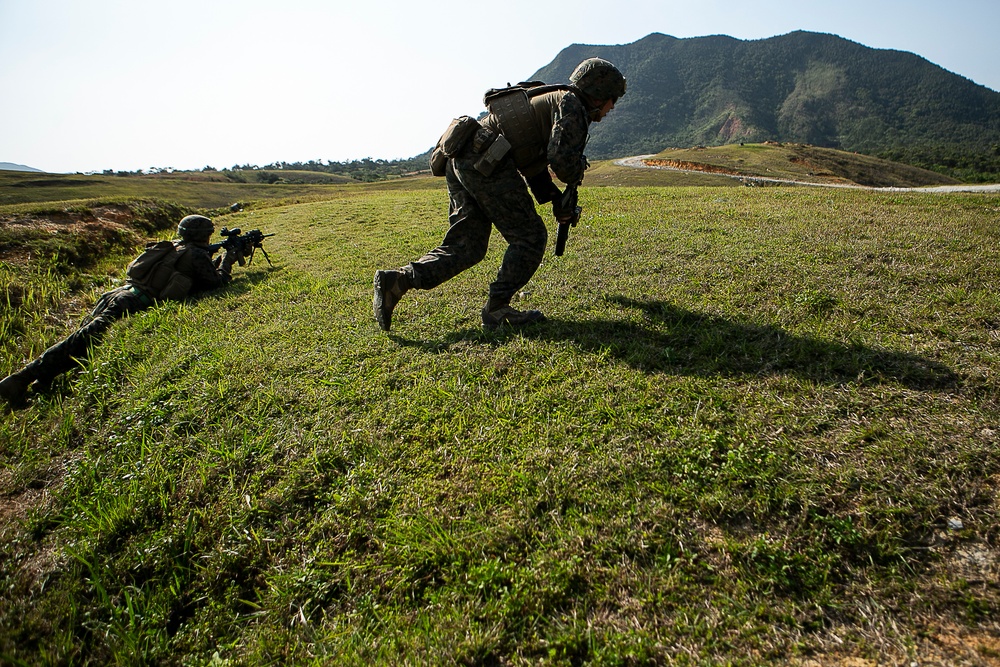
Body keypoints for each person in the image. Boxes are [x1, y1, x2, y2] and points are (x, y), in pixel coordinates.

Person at [373, 57, 627, 331]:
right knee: (530, 237)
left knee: (467, 246)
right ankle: (497, 309)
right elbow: (561, 159)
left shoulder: (555, 98)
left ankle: (397, 281)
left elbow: (533, 163)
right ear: (599, 94)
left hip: (462, 158)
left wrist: (556, 199)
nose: (612, 108)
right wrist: (577, 172)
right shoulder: (572, 105)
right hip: (488, 161)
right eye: (612, 100)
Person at [0, 214, 245, 407]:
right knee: (81, 341)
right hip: (132, 301)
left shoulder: (173, 246)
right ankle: (22, 378)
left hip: (118, 293)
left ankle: (42, 381)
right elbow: (216, 283)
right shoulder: (194, 254)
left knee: (81, 337)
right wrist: (227, 262)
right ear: (204, 235)